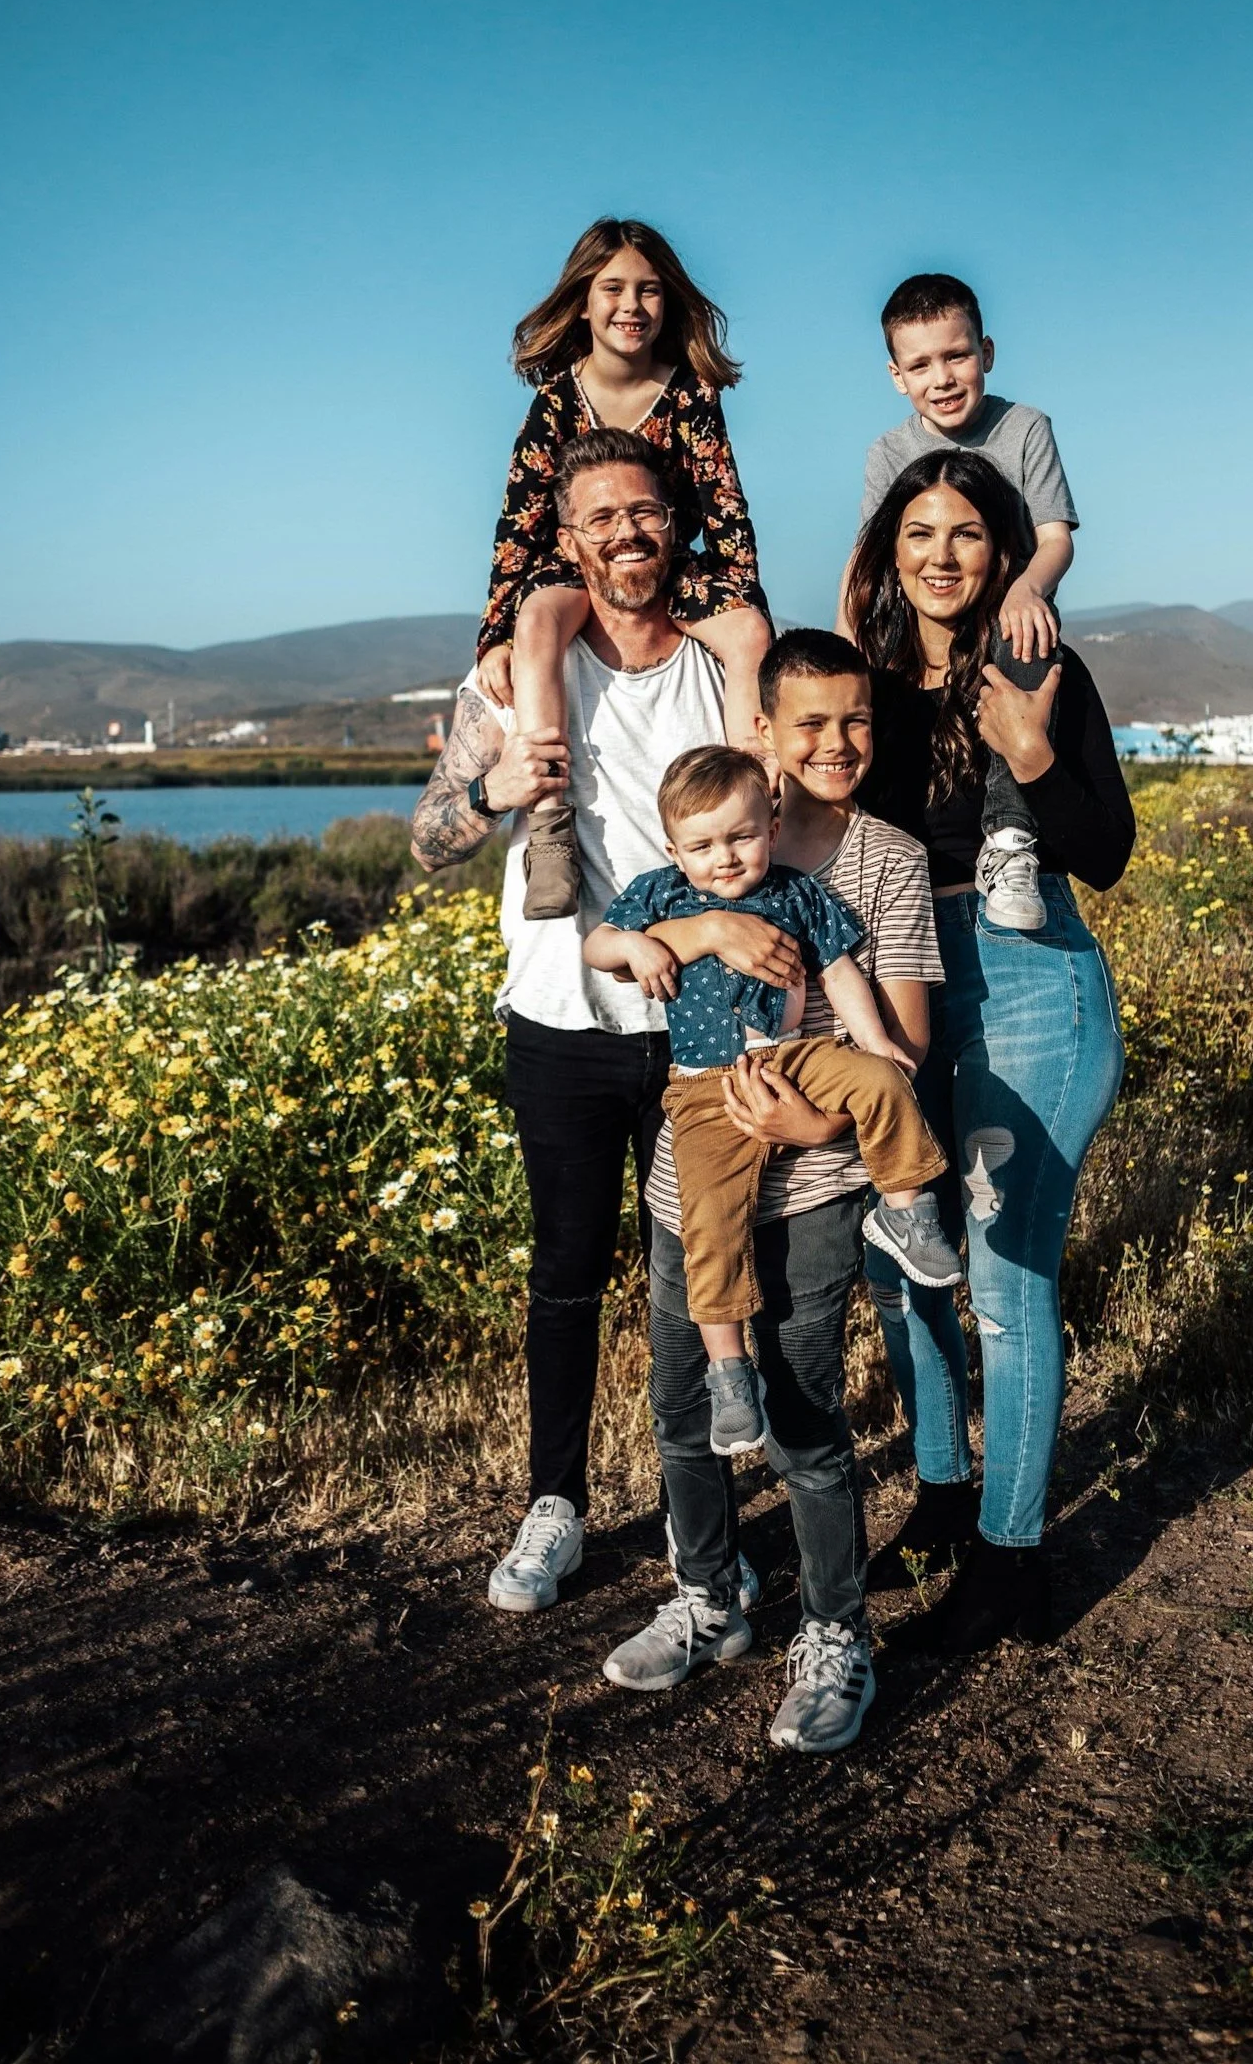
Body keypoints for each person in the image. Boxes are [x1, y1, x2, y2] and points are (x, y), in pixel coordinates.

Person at [412, 426, 770, 1616]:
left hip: (698, 1025)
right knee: (567, 1269)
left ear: (675, 527)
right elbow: (428, 843)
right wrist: (488, 789)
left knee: (697, 1273)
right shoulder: (516, 677)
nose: (628, 533)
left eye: (646, 512)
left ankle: (697, 1526)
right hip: (562, 1017)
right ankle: (553, 1504)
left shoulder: (719, 671)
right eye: (602, 518)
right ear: (567, 542)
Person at [601, 629, 945, 1754]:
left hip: (816, 1177)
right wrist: (696, 926)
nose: (836, 743)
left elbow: (900, 1036)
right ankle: (709, 1596)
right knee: (685, 1406)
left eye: (855, 722)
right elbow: (608, 952)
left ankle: (833, 1630)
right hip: (686, 1172)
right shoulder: (696, 852)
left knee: (802, 1417)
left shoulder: (880, 860)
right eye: (809, 722)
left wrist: (814, 1121)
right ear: (762, 734)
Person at [845, 450, 1133, 1652]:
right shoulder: (861, 682)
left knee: (1006, 1288)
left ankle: (1013, 1562)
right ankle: (943, 1495)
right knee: (900, 1258)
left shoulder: (1040, 669)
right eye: (918, 532)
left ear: (1002, 550)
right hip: (898, 978)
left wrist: (1024, 743)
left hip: (1028, 981)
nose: (941, 556)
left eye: (966, 532)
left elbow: (1103, 846)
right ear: (886, 550)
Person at [582, 745, 960, 1457]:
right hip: (704, 1086)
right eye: (702, 844)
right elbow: (597, 944)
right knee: (710, 1221)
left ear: (771, 824)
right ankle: (730, 1371)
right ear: (674, 848)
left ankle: (908, 1213)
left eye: (741, 836)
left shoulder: (794, 892)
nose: (724, 857)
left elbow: (840, 970)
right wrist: (636, 950)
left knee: (884, 1083)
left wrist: (878, 1042)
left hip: (797, 1057)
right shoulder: (661, 894)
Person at [475, 217, 772, 922]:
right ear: (583, 300)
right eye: (612, 289)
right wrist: (494, 635)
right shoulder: (554, 401)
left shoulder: (692, 393)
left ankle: (757, 805)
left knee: (750, 634)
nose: (631, 306)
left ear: (668, 302)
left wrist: (742, 603)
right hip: (575, 567)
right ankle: (550, 830)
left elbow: (725, 507)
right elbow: (518, 523)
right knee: (540, 617)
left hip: (674, 565)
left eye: (648, 290)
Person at [838, 272, 1080, 935]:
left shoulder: (1025, 427)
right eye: (920, 364)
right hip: (919, 626)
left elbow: (1055, 538)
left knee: (1024, 636)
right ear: (896, 375)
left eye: (956, 355)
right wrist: (842, 648)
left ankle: (1008, 839)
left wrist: (1029, 586)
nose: (942, 377)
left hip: (1008, 619)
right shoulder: (888, 452)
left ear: (987, 352)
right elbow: (866, 560)